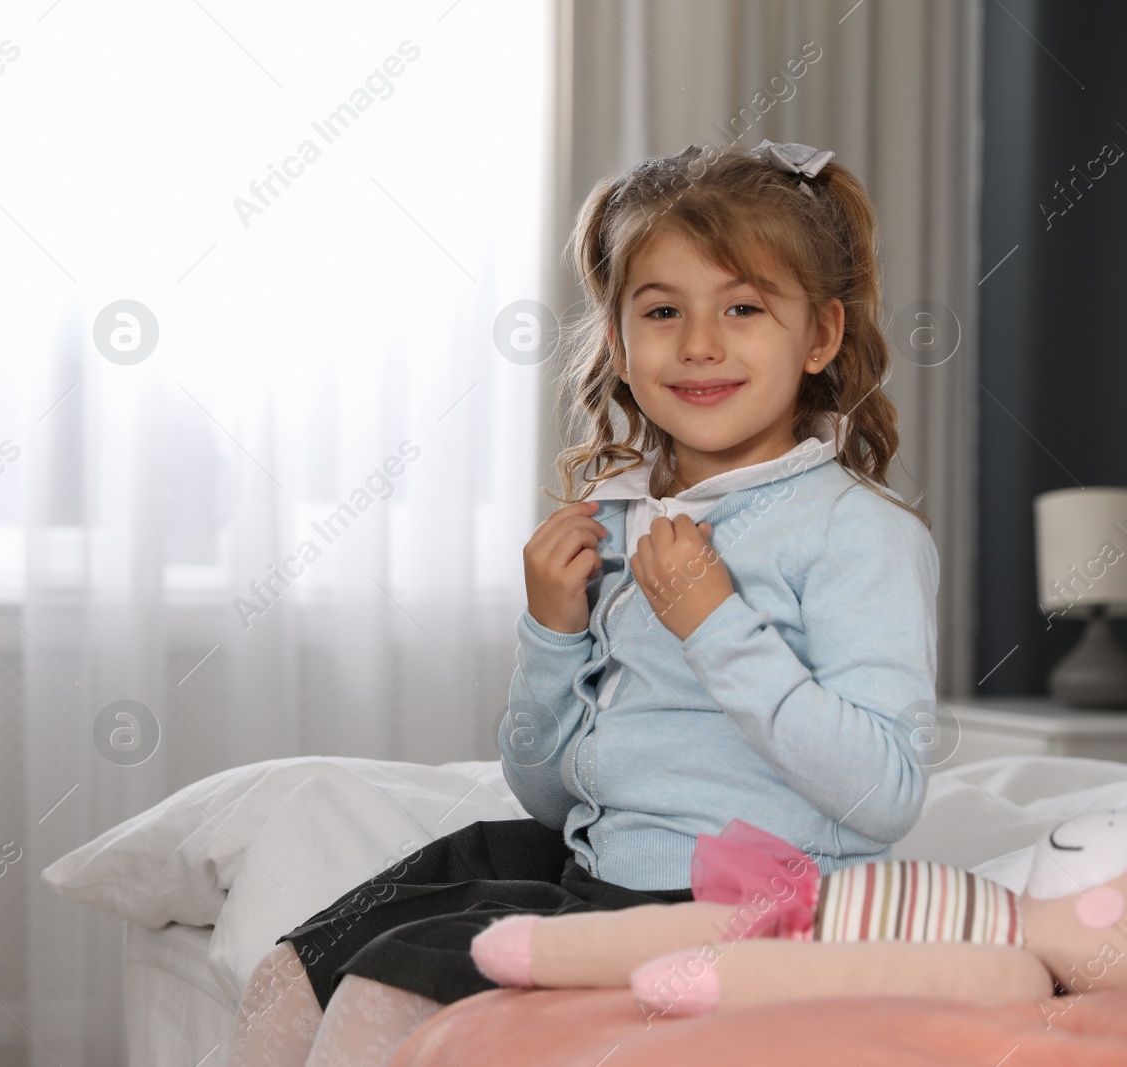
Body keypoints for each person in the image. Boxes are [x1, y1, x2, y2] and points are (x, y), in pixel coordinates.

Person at [226, 139, 940, 1066]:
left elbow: (884, 792)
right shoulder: (619, 516)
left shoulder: (857, 532)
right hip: (594, 870)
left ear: (821, 337)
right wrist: (552, 633)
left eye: (744, 307)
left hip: (737, 904)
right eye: (662, 311)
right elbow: (559, 795)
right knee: (293, 971)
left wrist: (715, 623)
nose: (699, 344)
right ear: (617, 339)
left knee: (382, 994)